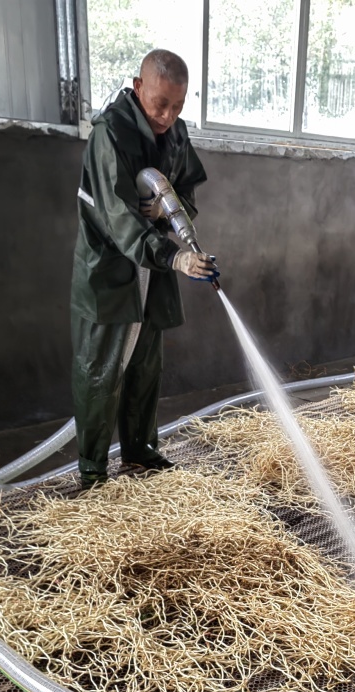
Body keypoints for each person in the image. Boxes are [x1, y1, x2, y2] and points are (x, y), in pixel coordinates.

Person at [70, 49, 218, 490]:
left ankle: (139, 451)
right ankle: (93, 470)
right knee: (100, 370)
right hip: (110, 270)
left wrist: (170, 214)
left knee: (144, 364)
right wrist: (174, 257)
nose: (168, 116)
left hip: (149, 271)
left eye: (178, 105)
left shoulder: (175, 134)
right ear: (138, 87)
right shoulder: (110, 134)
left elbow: (186, 190)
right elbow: (117, 219)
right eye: (160, 104)